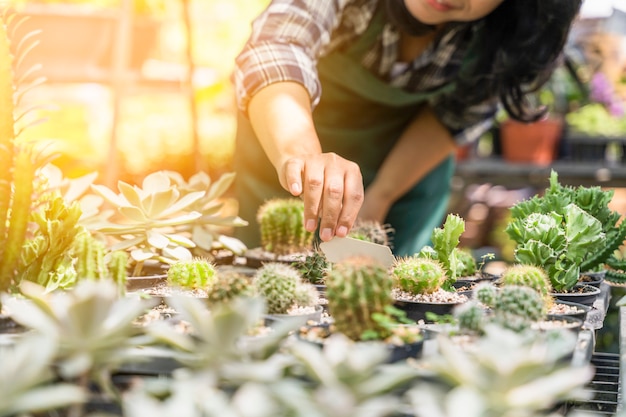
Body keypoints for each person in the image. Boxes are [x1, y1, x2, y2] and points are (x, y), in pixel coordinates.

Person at [231, 0, 582, 256]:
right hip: (284, 166)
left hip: (404, 181)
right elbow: (278, 46)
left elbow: (453, 118)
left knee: (390, 310)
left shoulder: (506, 38)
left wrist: (379, 197)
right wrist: (303, 157)